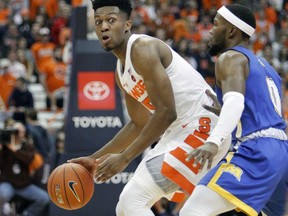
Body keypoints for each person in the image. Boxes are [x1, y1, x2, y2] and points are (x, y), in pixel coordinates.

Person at [68, 0, 231, 215]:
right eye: (98, 22)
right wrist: (94, 160)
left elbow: (166, 113)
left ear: (127, 24)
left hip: (202, 127)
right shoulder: (120, 72)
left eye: (111, 20)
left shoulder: (142, 49)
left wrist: (124, 158)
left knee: (131, 201)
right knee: (128, 207)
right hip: (179, 131)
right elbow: (138, 123)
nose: (104, 27)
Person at [184, 4, 288, 216]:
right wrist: (225, 111)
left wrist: (214, 141)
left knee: (194, 211)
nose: (210, 30)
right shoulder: (268, 68)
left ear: (231, 30)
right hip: (281, 151)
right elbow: (260, 110)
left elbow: (235, 103)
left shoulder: (229, 57)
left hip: (256, 150)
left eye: (215, 24)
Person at [0, 121, 50, 216]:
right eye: (16, 131)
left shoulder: (28, 146)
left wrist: (14, 150)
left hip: (24, 185)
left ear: (24, 133)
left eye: (21, 132)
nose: (18, 134)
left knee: (44, 198)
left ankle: (27, 214)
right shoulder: (5, 147)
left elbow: (28, 160)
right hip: (8, 183)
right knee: (2, 194)